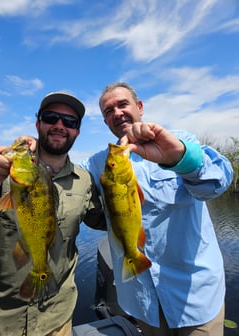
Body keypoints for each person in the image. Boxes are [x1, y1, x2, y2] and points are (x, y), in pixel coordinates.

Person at [80, 82, 233, 336]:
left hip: (195, 298)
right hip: (141, 302)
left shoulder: (178, 140)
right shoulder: (98, 162)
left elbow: (217, 183)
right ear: (105, 121)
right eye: (108, 111)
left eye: (122, 104)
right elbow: (62, 177)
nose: (116, 113)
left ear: (139, 107)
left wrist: (179, 158)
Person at [0, 92, 106, 336]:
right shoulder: (1, 170)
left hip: (57, 318)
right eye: (51, 117)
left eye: (70, 122)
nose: (60, 126)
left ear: (78, 131)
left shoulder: (85, 181)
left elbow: (106, 222)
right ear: (38, 124)